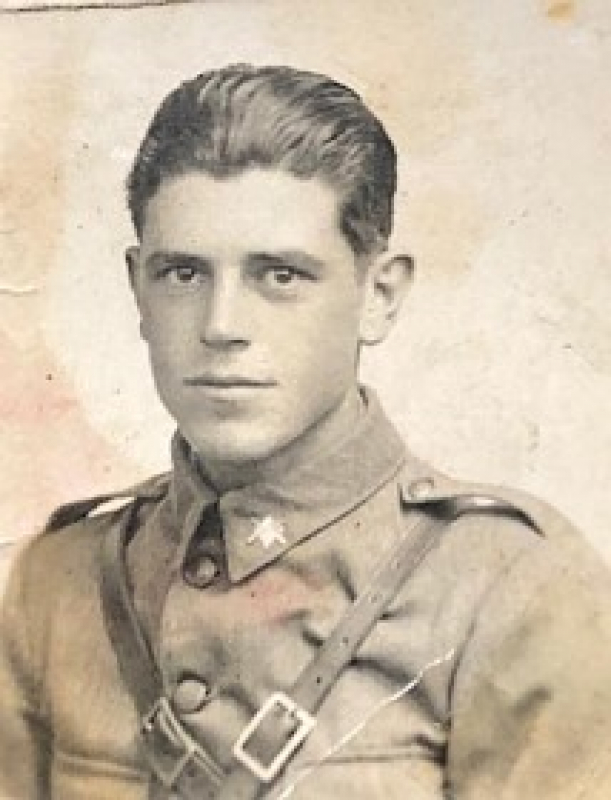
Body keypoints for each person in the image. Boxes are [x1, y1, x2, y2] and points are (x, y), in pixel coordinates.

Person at [1, 64, 610, 800]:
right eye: (184, 274)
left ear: (379, 295)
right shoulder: (57, 581)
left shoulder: (508, 586)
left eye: (280, 276)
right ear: (138, 289)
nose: (222, 326)